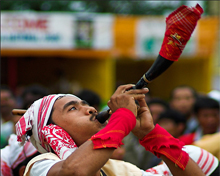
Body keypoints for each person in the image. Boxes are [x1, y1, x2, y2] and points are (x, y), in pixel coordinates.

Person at [16, 4, 218, 176]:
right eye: (72, 109)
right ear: (52, 130)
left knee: (195, 154)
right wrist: (122, 117)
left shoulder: (116, 168)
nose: (91, 110)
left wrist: (150, 134)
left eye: (85, 105)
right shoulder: (40, 164)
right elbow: (75, 172)